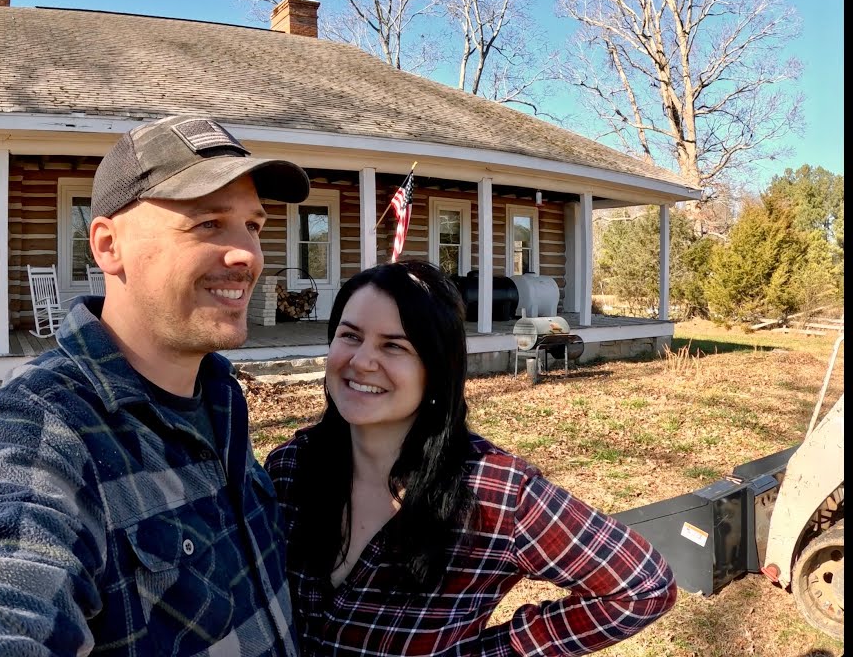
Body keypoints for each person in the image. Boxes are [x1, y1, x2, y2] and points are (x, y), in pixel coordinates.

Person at [0, 115, 311, 656]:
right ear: (109, 245)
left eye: (254, 226)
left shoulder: (220, 397)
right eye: (208, 223)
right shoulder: (41, 426)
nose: (248, 255)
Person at [266, 260, 677, 656]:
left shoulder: (496, 495)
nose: (361, 362)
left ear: (437, 371)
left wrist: (498, 650)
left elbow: (642, 587)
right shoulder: (289, 469)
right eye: (350, 336)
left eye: (394, 346)